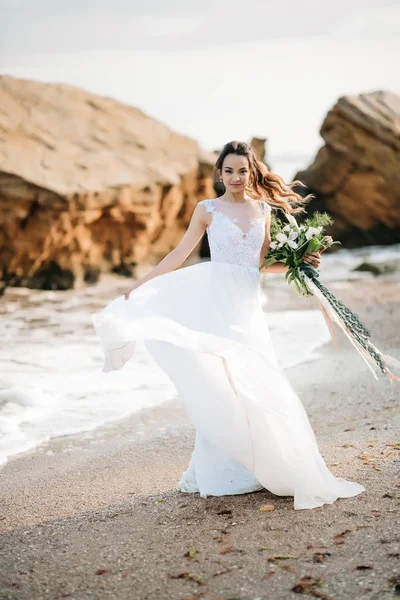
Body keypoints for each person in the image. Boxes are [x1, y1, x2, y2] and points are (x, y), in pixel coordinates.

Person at [92, 140, 365, 510]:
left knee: (255, 376)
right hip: (215, 301)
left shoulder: (263, 210)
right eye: (229, 171)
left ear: (252, 172)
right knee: (221, 379)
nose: (236, 177)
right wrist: (145, 284)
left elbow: (262, 262)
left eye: (242, 170)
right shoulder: (206, 210)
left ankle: (266, 462)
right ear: (219, 174)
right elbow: (180, 252)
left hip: (247, 304)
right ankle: (224, 469)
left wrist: (299, 264)